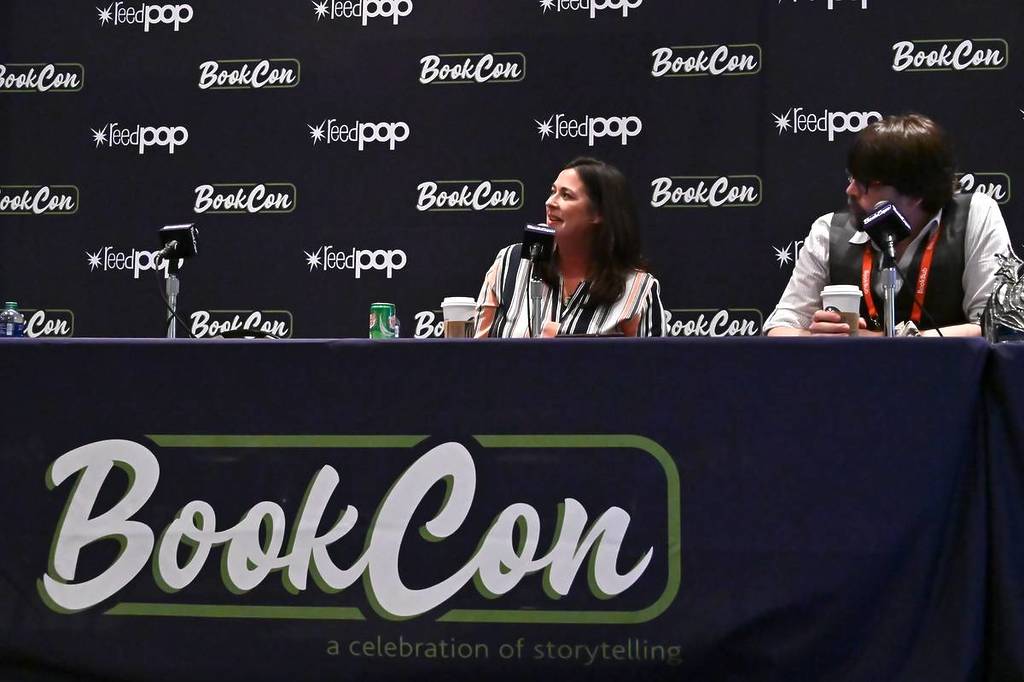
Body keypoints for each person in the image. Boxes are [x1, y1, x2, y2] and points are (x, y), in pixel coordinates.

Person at [764, 113, 1011, 337]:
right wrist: (821, 339)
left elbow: (995, 327)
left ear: (916, 192)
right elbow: (780, 325)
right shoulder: (828, 230)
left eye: (867, 184)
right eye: (852, 178)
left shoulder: (975, 214)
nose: (850, 190)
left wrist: (892, 342)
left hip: (950, 381)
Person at [474, 157, 665, 337]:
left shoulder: (638, 288)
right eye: (553, 191)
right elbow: (478, 356)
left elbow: (652, 367)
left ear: (598, 213)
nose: (550, 202)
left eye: (566, 195)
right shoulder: (510, 263)